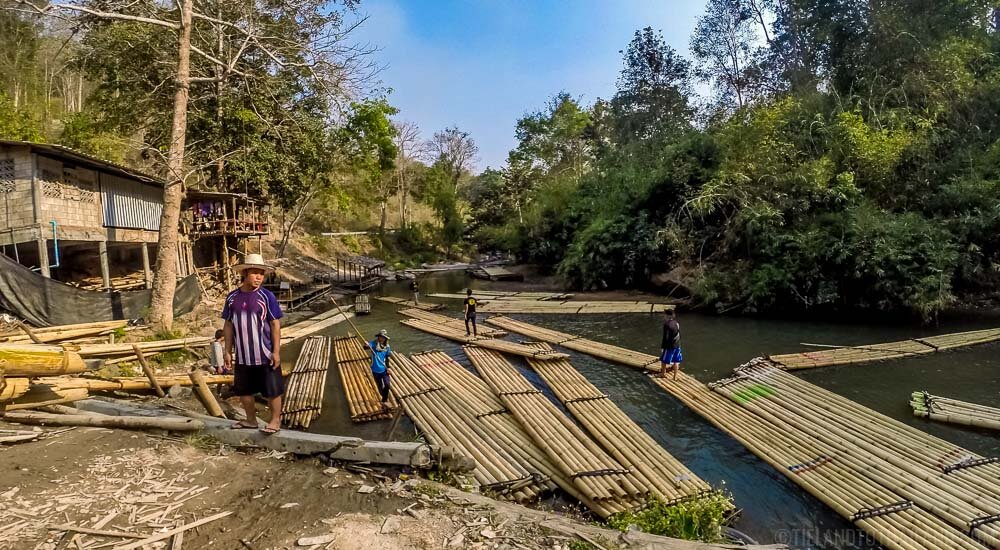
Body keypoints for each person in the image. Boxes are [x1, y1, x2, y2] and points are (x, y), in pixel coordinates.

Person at [222, 253, 284, 434]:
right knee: (243, 390)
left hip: (265, 353)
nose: (259, 277)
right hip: (242, 355)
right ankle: (250, 420)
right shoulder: (232, 297)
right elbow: (228, 324)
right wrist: (227, 350)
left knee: (273, 389)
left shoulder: (267, 297)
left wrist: (276, 351)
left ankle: (275, 421)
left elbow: (275, 324)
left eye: (261, 274)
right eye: (255, 273)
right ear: (245, 273)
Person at [369, 329, 393, 410]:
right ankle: (384, 399)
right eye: (380, 337)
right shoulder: (373, 344)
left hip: (384, 369)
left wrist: (388, 367)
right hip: (375, 370)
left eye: (383, 337)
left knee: (387, 385)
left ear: (385, 338)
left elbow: (387, 358)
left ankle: (384, 400)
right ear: (378, 337)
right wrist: (366, 344)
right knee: (380, 386)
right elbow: (365, 347)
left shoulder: (387, 347)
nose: (382, 338)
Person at [660, 308, 682, 379]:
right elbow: (678, 334)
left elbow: (665, 337)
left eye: (664, 314)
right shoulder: (677, 323)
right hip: (677, 345)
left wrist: (663, 347)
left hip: (669, 346)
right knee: (676, 361)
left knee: (664, 360)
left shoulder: (666, 324)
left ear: (667, 315)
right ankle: (675, 376)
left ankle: (663, 374)